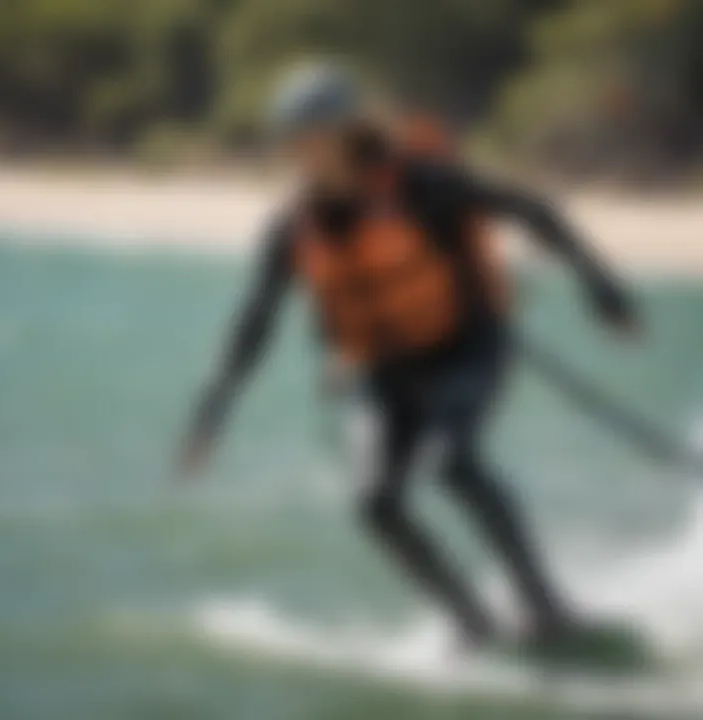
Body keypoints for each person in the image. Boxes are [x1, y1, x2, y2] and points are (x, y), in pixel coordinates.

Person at [180, 64, 638, 648]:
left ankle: (545, 607)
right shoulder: (292, 228)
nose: (302, 151)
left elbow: (532, 210)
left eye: (314, 135)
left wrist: (601, 288)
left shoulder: (421, 186)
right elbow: (254, 323)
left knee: (450, 462)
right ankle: (473, 625)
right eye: (292, 140)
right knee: (374, 503)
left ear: (348, 132)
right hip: (383, 370)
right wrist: (212, 412)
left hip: (466, 347)